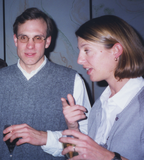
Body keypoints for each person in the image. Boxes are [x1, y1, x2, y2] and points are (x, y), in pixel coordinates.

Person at [0, 7, 91, 159]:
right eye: (24, 37)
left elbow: (84, 144)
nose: (30, 45)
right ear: (15, 40)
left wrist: (44, 138)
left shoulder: (72, 80)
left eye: (38, 38)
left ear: (48, 42)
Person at [59, 15, 144, 160]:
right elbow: (75, 157)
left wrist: (109, 157)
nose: (79, 60)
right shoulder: (99, 106)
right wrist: (73, 129)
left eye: (86, 50)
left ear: (116, 50)